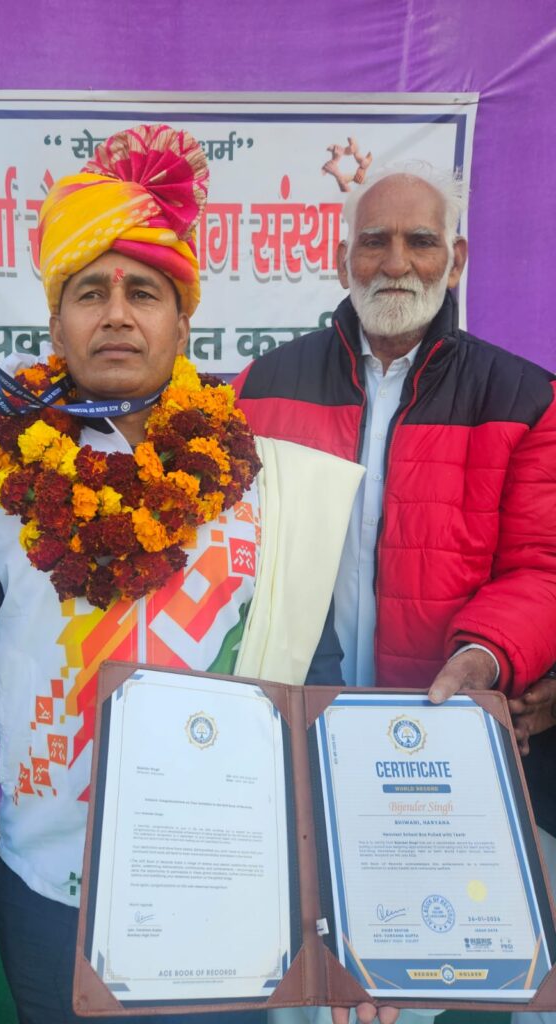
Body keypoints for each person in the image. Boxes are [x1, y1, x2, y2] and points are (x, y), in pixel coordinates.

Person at [0, 124, 363, 1024]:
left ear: (183, 320)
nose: (116, 312)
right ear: (54, 320)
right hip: (50, 893)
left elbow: (323, 683)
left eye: (144, 291)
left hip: (232, 884)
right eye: (88, 291)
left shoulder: (273, 482)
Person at [234, 164, 556, 1024]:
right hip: (297, 737)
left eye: (420, 242)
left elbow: (544, 565)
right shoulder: (262, 388)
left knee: (441, 982)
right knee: (306, 993)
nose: (396, 262)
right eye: (374, 241)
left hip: (445, 744)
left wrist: (487, 655)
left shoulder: (523, 396)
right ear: (344, 261)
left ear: (455, 259)